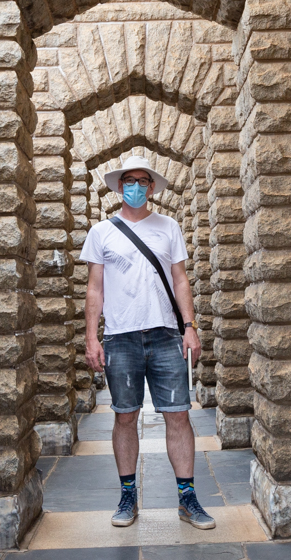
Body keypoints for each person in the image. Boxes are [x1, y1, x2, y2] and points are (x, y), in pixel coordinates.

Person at [80, 156, 216, 530]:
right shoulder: (102, 232)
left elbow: (181, 280)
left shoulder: (168, 227)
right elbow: (95, 288)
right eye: (129, 181)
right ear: (119, 186)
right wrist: (92, 337)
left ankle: (187, 499)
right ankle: (127, 496)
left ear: (152, 187)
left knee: (178, 415)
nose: (136, 187)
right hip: (121, 337)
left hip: (165, 334)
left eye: (142, 180)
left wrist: (190, 326)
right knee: (125, 417)